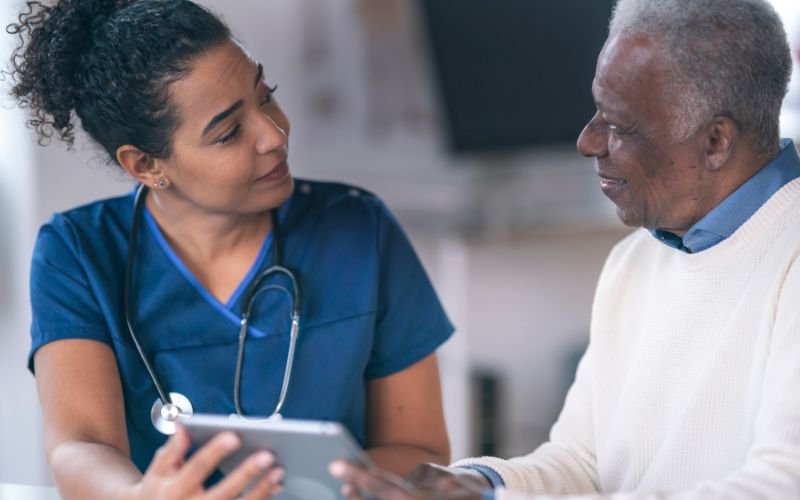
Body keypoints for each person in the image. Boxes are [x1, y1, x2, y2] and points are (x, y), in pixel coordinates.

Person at [330, 0, 800, 498]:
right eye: (596, 112)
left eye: (618, 127)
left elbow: (780, 485)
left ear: (715, 143)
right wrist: (476, 486)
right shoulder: (635, 261)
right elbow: (581, 461)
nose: (587, 142)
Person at [7, 0, 453, 498]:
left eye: (266, 98)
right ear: (146, 165)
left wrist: (321, 491)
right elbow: (80, 445)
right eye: (228, 132)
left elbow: (421, 447)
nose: (274, 135)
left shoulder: (360, 230)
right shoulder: (78, 252)